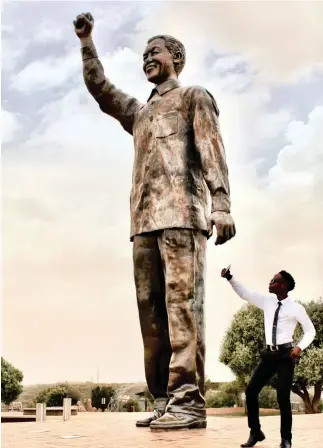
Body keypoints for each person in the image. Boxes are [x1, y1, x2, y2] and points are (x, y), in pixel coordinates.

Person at [73, 12, 236, 430]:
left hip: (181, 216)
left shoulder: (192, 97)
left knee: (183, 307)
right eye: (143, 54)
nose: (147, 58)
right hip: (143, 223)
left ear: (175, 58)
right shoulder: (139, 113)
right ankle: (164, 400)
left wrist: (221, 203)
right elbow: (100, 88)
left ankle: (189, 402)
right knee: (151, 315)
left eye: (155, 52)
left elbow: (210, 148)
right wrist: (87, 41)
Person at [221, 267, 316, 448]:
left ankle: (286, 439)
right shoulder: (267, 301)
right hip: (268, 355)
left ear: (283, 286)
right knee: (251, 391)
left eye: (274, 281)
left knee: (282, 398)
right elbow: (245, 293)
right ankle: (255, 432)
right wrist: (230, 278)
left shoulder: (297, 308)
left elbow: (310, 331)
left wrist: (299, 347)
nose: (270, 283)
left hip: (285, 356)